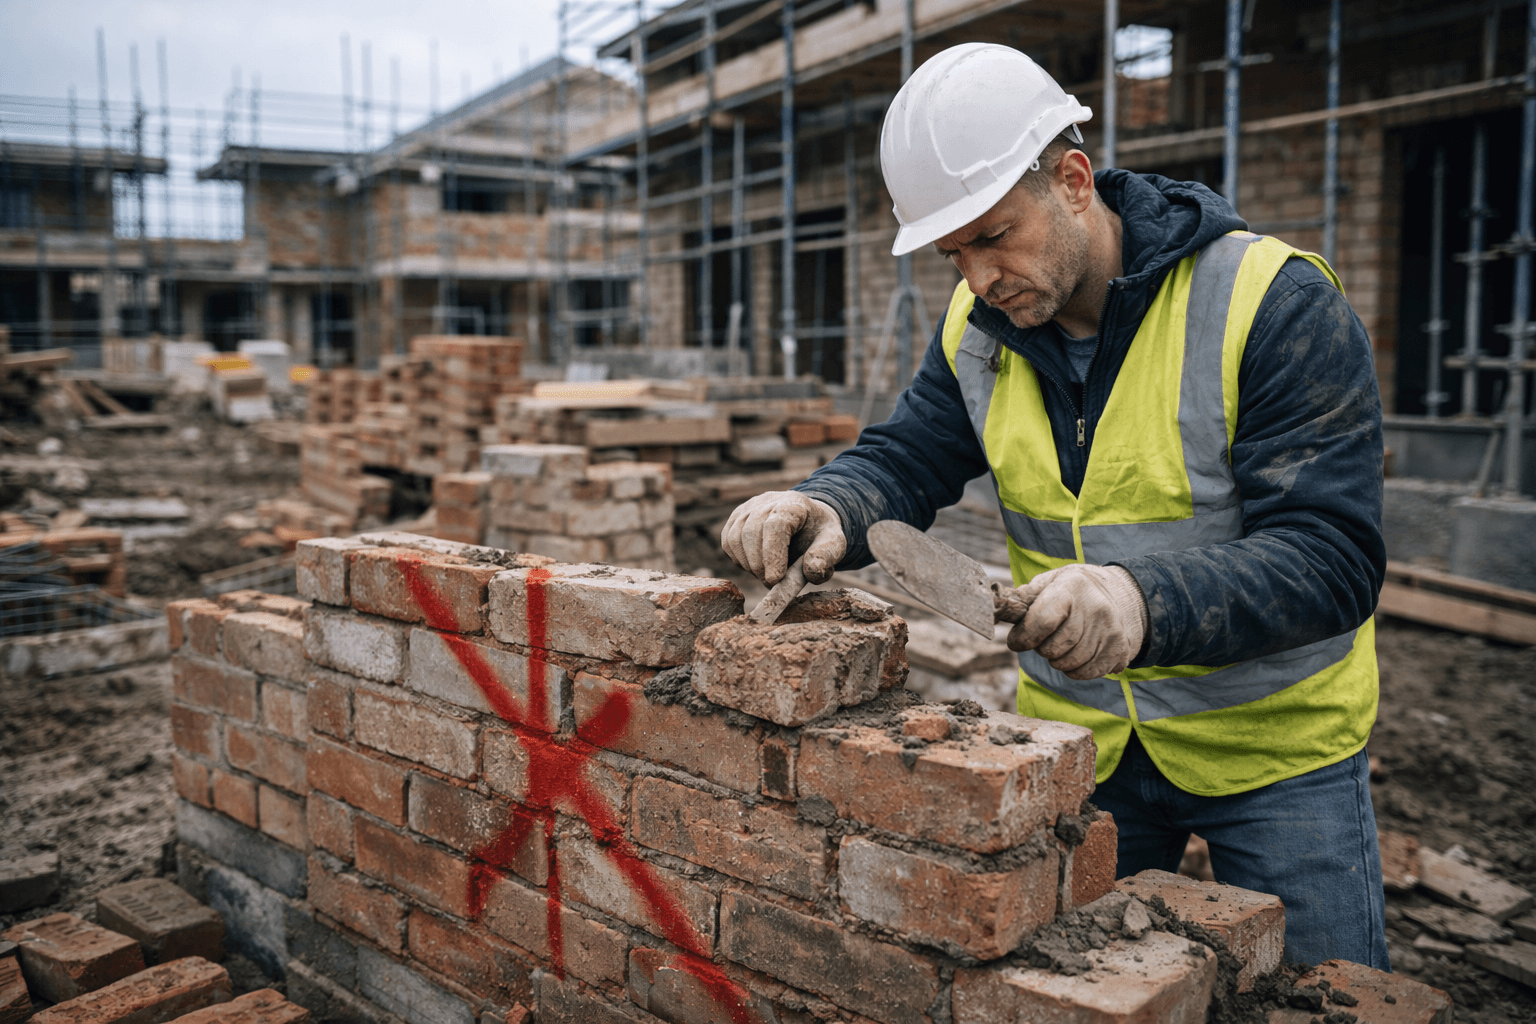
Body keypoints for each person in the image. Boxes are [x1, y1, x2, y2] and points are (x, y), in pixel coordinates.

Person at [720, 42, 1389, 969]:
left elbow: (1332, 556)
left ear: (1074, 179)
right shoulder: (981, 331)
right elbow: (911, 454)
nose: (977, 277)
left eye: (993, 236)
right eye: (953, 253)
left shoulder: (1271, 305)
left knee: (1329, 992)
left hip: (1277, 757)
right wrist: (829, 504)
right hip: (1088, 750)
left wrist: (1140, 602)